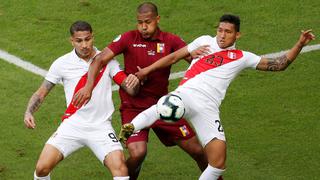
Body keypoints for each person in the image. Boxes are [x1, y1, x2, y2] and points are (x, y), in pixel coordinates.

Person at [118, 14, 316, 179]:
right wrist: (146, 72)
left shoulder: (242, 57)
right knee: (168, 104)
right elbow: (173, 57)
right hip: (187, 94)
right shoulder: (204, 41)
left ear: (237, 34)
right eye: (220, 30)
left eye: (228, 32)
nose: (222, 36)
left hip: (208, 108)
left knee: (218, 163)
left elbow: (279, 64)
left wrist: (299, 44)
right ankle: (132, 126)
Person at [72, 2, 208, 179]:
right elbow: (98, 60)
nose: (143, 27)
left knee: (197, 150)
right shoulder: (128, 38)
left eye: (148, 22)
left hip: (162, 107)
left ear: (157, 19)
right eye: (140, 22)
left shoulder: (171, 40)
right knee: (138, 153)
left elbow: (195, 62)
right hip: (133, 108)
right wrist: (88, 87)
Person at [24, 21, 140, 180]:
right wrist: (29, 111)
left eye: (88, 39)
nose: (84, 45)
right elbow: (42, 92)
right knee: (42, 168)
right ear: (71, 41)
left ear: (93, 37)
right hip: (72, 126)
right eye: (79, 41)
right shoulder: (61, 64)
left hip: (101, 127)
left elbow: (131, 89)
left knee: (120, 169)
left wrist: (136, 80)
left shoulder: (107, 61)